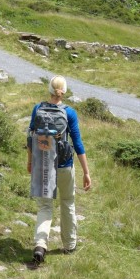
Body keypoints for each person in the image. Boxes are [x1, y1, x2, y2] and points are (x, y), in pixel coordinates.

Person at [27, 76, 91, 265]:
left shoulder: (37, 109)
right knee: (67, 202)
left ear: (49, 89)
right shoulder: (69, 113)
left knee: (45, 206)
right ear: (64, 90)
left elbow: (30, 137)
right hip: (64, 165)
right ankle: (70, 245)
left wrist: (30, 161)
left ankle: (40, 244)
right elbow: (78, 144)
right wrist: (86, 172)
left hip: (42, 164)